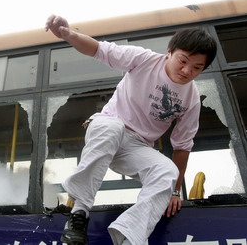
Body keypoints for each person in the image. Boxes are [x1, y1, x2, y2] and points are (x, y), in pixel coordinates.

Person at [45, 15, 217, 245]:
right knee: (113, 127)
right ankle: (79, 212)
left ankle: (129, 235)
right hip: (106, 127)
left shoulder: (192, 98)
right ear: (170, 51)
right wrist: (68, 34)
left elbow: (182, 146)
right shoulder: (144, 60)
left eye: (197, 68)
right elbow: (99, 50)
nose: (187, 71)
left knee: (168, 171)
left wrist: (174, 192)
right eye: (183, 61)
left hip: (135, 147)